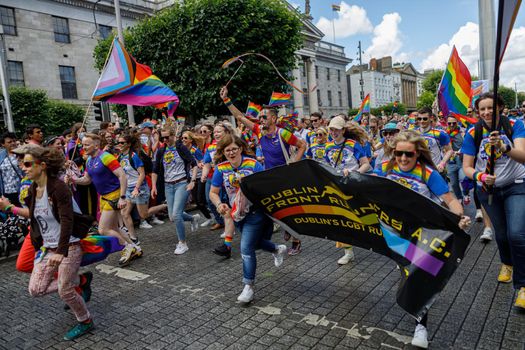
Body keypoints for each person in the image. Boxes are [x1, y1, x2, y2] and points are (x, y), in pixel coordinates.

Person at [375, 130, 470, 349]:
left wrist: (460, 217)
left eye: (409, 154)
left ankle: (421, 326)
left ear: (418, 154)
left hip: (421, 234)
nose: (403, 159)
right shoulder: (385, 168)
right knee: (408, 272)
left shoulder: (428, 174)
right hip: (393, 234)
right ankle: (417, 304)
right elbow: (365, 185)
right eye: (399, 153)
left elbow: (450, 200)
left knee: (417, 275)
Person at [15, 145, 94, 340]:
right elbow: (35, 217)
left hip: (68, 247)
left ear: (41, 166)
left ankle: (85, 321)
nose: (23, 168)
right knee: (36, 289)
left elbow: (67, 220)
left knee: (65, 290)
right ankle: (81, 280)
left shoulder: (59, 188)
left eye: (27, 164)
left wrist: (61, 251)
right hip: (46, 248)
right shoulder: (33, 188)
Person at [221, 86, 307, 255]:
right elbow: (239, 116)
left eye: (264, 117)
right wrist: (226, 99)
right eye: (259, 117)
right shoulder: (259, 132)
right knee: (273, 209)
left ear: (273, 119)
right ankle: (281, 231)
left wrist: (292, 165)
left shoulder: (283, 134)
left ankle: (296, 241)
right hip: (269, 177)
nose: (260, 119)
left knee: (289, 210)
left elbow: (302, 145)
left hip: (285, 178)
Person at [461, 92, 525, 310]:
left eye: (491, 108)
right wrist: (479, 177)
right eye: (483, 109)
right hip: (488, 190)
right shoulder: (473, 132)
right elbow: (467, 167)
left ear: (500, 108)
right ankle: (507, 263)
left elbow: (523, 156)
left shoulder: (515, 125)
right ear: (478, 112)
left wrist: (504, 148)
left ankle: (523, 286)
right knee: (501, 233)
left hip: (516, 185)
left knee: (516, 233)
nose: (487, 112)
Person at [208, 134, 287, 303]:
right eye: (227, 150)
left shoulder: (253, 165)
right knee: (255, 243)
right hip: (237, 215)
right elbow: (213, 193)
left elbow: (265, 186)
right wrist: (219, 205)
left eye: (234, 149)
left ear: (241, 149)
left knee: (245, 247)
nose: (231, 153)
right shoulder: (220, 168)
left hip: (255, 212)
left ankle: (248, 287)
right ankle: (276, 249)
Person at [66, 133, 141, 266]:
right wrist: (74, 179)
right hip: (104, 197)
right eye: (83, 144)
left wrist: (122, 197)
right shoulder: (89, 160)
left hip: (114, 195)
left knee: (103, 229)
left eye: (87, 145)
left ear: (96, 145)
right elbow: (87, 180)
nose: (84, 147)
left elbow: (122, 176)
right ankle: (135, 248)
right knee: (115, 228)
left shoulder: (106, 157)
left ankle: (128, 247)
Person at [325, 116, 371, 265]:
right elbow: (327, 166)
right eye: (331, 129)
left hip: (353, 185)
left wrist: (353, 174)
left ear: (343, 130)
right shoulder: (328, 146)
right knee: (341, 220)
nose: (333, 132)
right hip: (338, 187)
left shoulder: (353, 144)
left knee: (364, 218)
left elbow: (366, 165)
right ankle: (348, 252)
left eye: (337, 129)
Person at [151, 128, 200, 255]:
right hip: (168, 186)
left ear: (174, 136)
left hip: (182, 183)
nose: (165, 140)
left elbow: (194, 164)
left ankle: (182, 243)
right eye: (163, 138)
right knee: (172, 217)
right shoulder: (161, 151)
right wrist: (154, 186)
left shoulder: (181, 148)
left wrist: (193, 181)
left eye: (167, 137)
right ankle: (192, 218)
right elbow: (155, 170)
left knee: (177, 215)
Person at [117, 133, 167, 244]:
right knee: (124, 213)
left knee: (143, 215)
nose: (119, 144)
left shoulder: (134, 156)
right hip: (128, 189)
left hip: (140, 188)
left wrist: (136, 188)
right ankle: (134, 238)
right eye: (118, 142)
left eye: (122, 143)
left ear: (129, 144)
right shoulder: (120, 157)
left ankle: (166, 205)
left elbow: (142, 174)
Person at [181, 130, 212, 226]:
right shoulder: (182, 150)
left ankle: (212, 215)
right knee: (198, 202)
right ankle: (209, 217)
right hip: (191, 178)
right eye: (182, 138)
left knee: (200, 200)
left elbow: (204, 162)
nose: (183, 140)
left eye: (185, 138)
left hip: (200, 177)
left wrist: (199, 164)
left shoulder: (195, 150)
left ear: (190, 140)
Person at [416, 107, 453, 179]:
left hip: (435, 171)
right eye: (419, 119)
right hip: (419, 171)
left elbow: (449, 150)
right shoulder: (413, 134)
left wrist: (442, 163)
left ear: (431, 118)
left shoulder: (440, 133)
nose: (422, 121)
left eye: (425, 119)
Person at [0, 132, 24, 206]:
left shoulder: (21, 154)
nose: (13, 143)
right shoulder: (1, 156)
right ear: (3, 144)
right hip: (7, 192)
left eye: (14, 141)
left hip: (22, 189)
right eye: (9, 142)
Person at [445, 116, 465, 201]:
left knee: (463, 179)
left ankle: (466, 194)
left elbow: (467, 145)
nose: (452, 125)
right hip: (451, 161)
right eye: (449, 123)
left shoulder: (462, 132)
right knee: (453, 184)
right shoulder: (445, 133)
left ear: (457, 122)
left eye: (454, 123)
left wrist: (460, 151)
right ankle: (460, 198)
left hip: (462, 159)